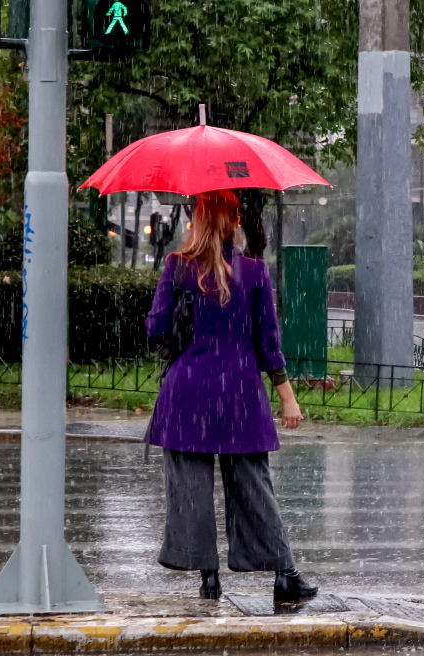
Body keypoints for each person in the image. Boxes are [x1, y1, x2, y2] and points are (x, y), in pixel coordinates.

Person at [146, 190, 317, 604]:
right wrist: (288, 399)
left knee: (190, 488)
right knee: (254, 487)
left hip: (187, 394)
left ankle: (208, 576)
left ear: (199, 221)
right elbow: (268, 343)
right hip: (240, 395)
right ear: (234, 222)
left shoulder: (177, 267)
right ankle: (284, 575)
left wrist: (179, 331)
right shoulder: (256, 272)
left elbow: (155, 330)